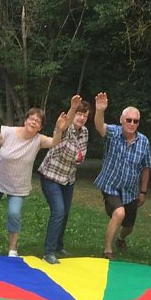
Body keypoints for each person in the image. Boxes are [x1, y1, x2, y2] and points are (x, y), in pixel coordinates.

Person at [0, 101, 73, 256]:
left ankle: (13, 248)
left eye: (38, 121)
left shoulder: (39, 140)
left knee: (14, 214)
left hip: (18, 185)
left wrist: (60, 130)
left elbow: (54, 142)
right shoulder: (8, 132)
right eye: (32, 118)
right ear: (25, 120)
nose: (34, 122)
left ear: (40, 127)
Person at [93, 93, 151, 259]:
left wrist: (143, 192)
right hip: (110, 185)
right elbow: (99, 126)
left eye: (135, 121)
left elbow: (146, 168)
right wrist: (100, 110)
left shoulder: (144, 142)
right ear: (122, 120)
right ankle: (107, 250)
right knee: (119, 213)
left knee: (129, 226)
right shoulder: (113, 133)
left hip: (131, 191)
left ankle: (121, 238)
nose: (132, 123)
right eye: (129, 120)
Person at [37, 95, 89, 264]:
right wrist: (72, 108)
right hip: (51, 175)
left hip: (68, 178)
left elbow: (80, 156)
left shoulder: (85, 132)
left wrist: (75, 156)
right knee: (58, 211)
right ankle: (48, 252)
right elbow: (65, 129)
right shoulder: (65, 127)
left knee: (65, 213)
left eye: (84, 115)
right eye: (79, 114)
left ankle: (59, 245)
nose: (81, 118)